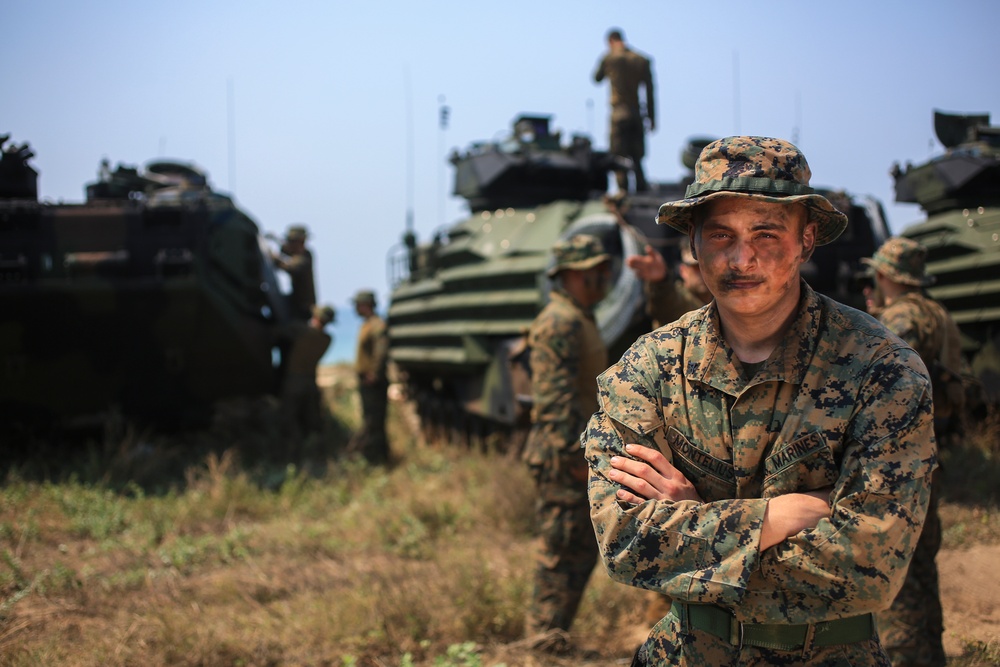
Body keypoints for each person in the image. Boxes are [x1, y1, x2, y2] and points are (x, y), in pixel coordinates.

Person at [583, 136, 937, 666]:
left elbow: (869, 569)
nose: (741, 258)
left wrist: (697, 523)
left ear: (807, 241)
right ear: (694, 244)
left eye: (766, 234)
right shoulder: (648, 370)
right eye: (721, 234)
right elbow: (625, 543)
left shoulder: (882, 370)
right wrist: (772, 518)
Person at [862, 237, 965, 667]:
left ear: (885, 275)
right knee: (922, 566)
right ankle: (930, 654)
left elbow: (886, 380)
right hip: (930, 449)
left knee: (897, 569)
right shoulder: (936, 313)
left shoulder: (901, 317)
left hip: (902, 455)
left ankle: (906, 657)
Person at [522, 234, 611, 652]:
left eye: (602, 270)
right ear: (570, 276)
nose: (602, 279)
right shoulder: (560, 322)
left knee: (576, 550)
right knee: (561, 552)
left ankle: (551, 641)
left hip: (574, 453)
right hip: (564, 457)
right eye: (592, 272)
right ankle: (542, 646)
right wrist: (575, 458)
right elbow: (555, 402)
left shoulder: (578, 316)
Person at [593, 28, 656, 193]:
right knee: (637, 157)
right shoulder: (641, 60)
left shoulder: (610, 58)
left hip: (619, 113)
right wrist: (652, 117)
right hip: (637, 114)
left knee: (619, 156)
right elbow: (650, 92)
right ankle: (641, 190)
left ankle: (623, 192)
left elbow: (597, 78)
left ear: (610, 42)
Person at [280, 304, 336, 449]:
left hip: (294, 381)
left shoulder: (302, 330)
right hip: (311, 382)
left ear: (316, 317)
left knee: (289, 417)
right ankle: (313, 450)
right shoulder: (327, 338)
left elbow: (282, 332)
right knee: (311, 419)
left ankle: (293, 449)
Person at [628, 244, 711, 330]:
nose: (703, 271)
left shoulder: (719, 299)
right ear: (683, 271)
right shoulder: (677, 297)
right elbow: (669, 304)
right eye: (696, 267)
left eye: (707, 265)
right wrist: (660, 282)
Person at [351, 289, 390, 465]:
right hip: (367, 380)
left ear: (365, 305)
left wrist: (374, 374)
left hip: (372, 382)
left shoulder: (376, 325)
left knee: (374, 421)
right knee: (369, 419)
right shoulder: (367, 324)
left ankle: (378, 458)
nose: (355, 309)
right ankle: (374, 456)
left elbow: (381, 351)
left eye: (357, 305)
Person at [272, 224, 317, 320]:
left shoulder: (305, 258)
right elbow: (285, 250)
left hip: (303, 308)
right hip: (296, 304)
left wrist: (274, 259)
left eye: (291, 241)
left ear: (301, 242)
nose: (289, 244)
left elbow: (291, 268)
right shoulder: (299, 254)